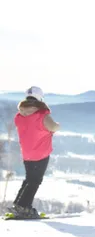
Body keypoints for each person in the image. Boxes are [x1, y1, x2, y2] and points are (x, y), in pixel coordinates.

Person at [12, 86, 60, 219]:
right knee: (35, 180)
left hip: (27, 153)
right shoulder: (42, 115)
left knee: (29, 179)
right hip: (40, 153)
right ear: (40, 98)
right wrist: (57, 126)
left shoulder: (19, 116)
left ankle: (19, 204)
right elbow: (53, 127)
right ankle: (23, 207)